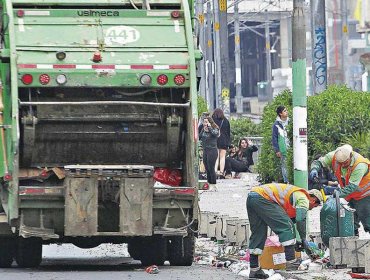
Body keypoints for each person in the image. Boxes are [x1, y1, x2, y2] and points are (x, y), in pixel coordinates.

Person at [247, 183, 323, 279]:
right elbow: (299, 220)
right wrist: (304, 239)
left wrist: (293, 244)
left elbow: (280, 224)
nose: (311, 209)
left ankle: (254, 269)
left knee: (259, 233)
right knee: (288, 227)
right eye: (315, 206)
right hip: (263, 198)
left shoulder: (292, 199)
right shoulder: (303, 198)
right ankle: (291, 262)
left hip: (252, 197)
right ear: (313, 199)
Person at [309, 144, 370, 235]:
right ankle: (352, 242)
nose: (342, 165)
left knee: (367, 220)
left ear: (350, 156)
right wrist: (314, 169)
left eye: (345, 163)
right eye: (340, 163)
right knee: (349, 223)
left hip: (364, 195)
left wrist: (336, 195)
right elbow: (318, 162)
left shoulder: (360, 165)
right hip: (350, 196)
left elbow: (351, 187)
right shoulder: (334, 156)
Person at [199, 116, 220, 191]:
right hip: (206, 150)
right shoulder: (203, 129)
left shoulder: (215, 128)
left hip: (212, 150)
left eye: (206, 122)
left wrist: (210, 128)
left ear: (210, 122)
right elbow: (199, 137)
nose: (205, 123)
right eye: (204, 122)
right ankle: (209, 183)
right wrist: (202, 128)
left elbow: (215, 134)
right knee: (207, 167)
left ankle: (213, 184)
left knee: (211, 167)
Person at [272, 106, 290, 183]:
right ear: (280, 113)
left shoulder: (291, 122)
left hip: (291, 148)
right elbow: (274, 138)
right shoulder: (276, 124)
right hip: (283, 150)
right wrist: (277, 150)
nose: (287, 112)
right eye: (285, 111)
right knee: (285, 166)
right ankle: (286, 181)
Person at [211, 108, 231, 178]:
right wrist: (228, 143)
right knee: (222, 157)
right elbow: (228, 133)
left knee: (216, 156)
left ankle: (215, 171)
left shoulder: (212, 120)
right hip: (224, 140)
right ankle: (221, 172)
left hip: (215, 140)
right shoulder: (226, 121)